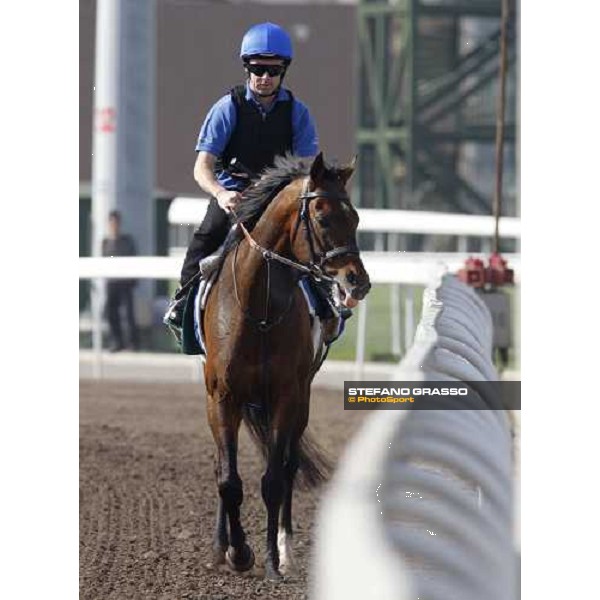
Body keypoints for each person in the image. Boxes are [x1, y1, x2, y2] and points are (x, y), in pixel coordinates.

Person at [163, 22, 319, 332]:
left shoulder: (298, 113)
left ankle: (327, 303)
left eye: (272, 71)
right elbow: (201, 168)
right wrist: (220, 194)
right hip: (233, 195)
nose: (264, 77)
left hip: (277, 196)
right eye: (258, 68)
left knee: (314, 237)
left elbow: (308, 168)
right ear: (246, 67)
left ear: (284, 71)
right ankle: (181, 303)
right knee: (207, 235)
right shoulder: (226, 109)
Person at [102, 210, 140, 352]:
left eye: (116, 222)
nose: (113, 225)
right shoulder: (105, 242)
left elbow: (132, 259)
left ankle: (133, 343)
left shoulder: (127, 241)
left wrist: (133, 280)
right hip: (112, 283)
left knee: (128, 314)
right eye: (111, 222)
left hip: (125, 283)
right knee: (112, 314)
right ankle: (116, 342)